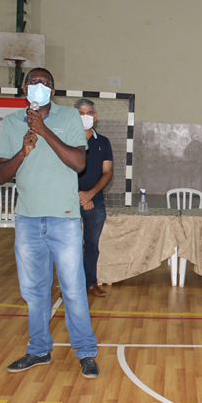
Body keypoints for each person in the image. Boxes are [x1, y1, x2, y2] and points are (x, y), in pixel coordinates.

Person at [0, 68, 100, 378]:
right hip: (27, 218)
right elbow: (0, 175)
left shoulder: (69, 118)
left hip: (63, 218)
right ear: (24, 88)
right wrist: (23, 151)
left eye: (44, 83)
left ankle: (86, 352)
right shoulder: (11, 122)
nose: (38, 86)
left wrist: (43, 130)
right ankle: (39, 350)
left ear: (53, 91)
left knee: (73, 288)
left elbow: (79, 163)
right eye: (33, 82)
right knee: (34, 290)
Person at [75, 98, 114, 298]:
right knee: (68, 246)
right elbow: (60, 171)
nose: (85, 117)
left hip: (95, 201)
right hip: (68, 200)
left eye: (89, 113)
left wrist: (89, 195)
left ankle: (90, 283)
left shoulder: (103, 142)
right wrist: (78, 196)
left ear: (95, 116)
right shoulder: (66, 140)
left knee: (91, 244)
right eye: (80, 114)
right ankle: (71, 286)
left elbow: (107, 172)